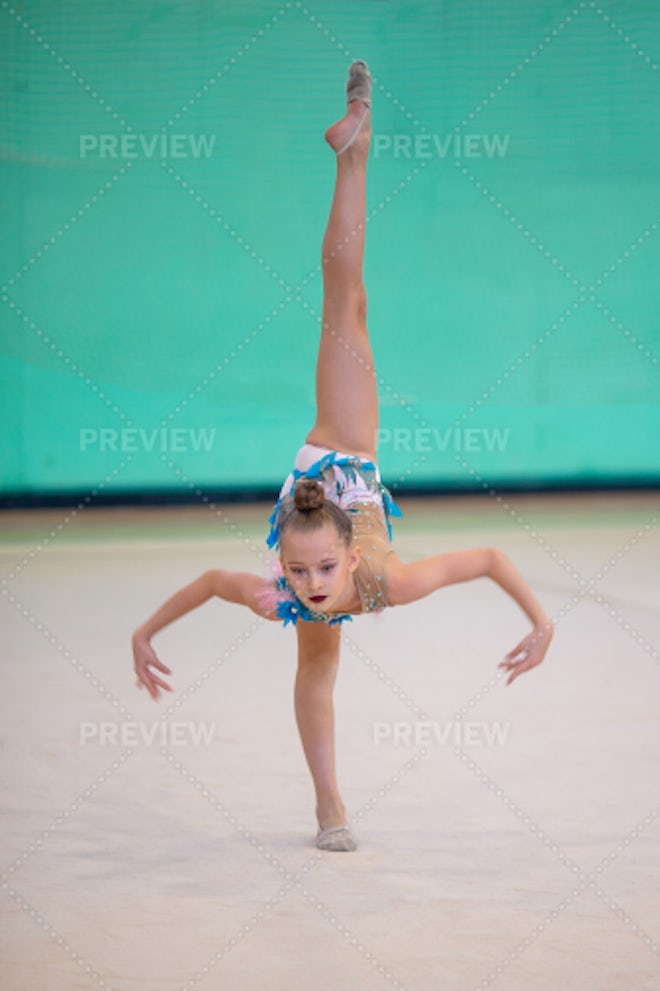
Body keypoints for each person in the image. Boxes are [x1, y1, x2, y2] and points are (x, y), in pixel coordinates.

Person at [132, 61, 554, 853]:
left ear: (349, 550)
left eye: (319, 572)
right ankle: (330, 808)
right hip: (327, 479)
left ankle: (352, 145)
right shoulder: (298, 587)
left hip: (342, 442)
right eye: (300, 575)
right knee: (316, 668)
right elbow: (204, 585)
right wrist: (143, 634)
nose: (311, 587)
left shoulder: (376, 578)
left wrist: (542, 621)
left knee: (343, 295)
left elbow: (494, 556)